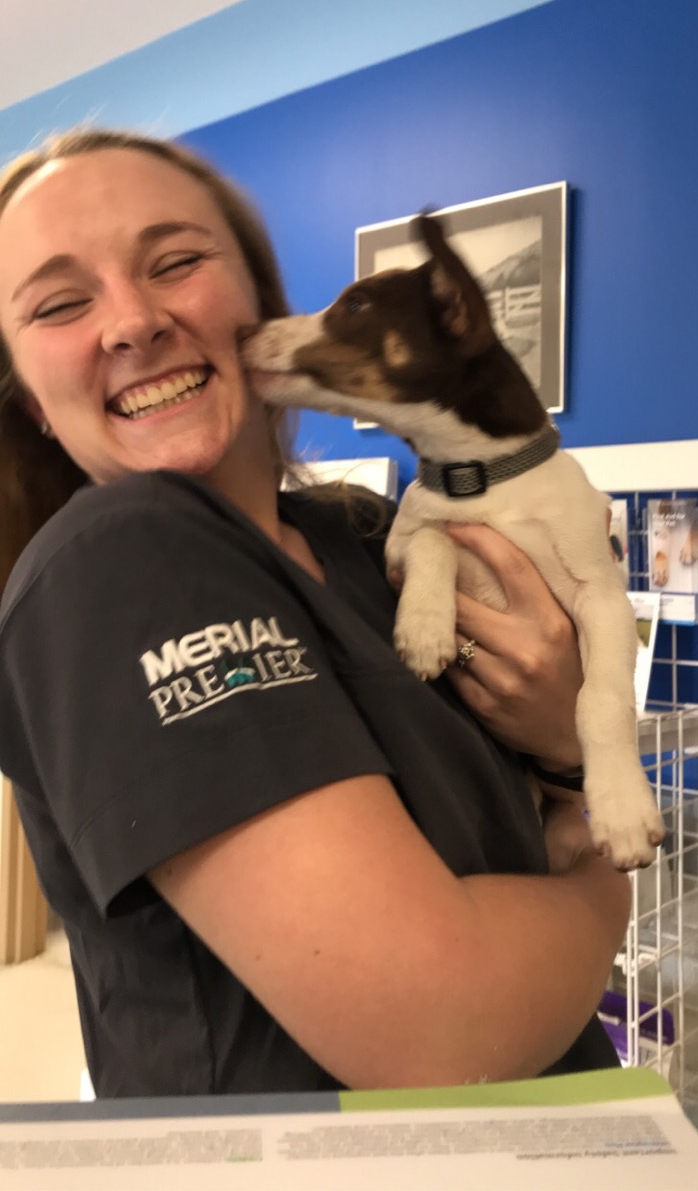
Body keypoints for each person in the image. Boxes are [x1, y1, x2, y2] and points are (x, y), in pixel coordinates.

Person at [0, 129, 630, 1099]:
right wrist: (603, 881)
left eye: (174, 262)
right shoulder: (121, 559)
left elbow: (534, 800)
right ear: (31, 397)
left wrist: (564, 748)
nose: (132, 322)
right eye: (59, 303)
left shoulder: (368, 536)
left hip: (550, 1128)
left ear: (258, 301)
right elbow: (437, 1024)